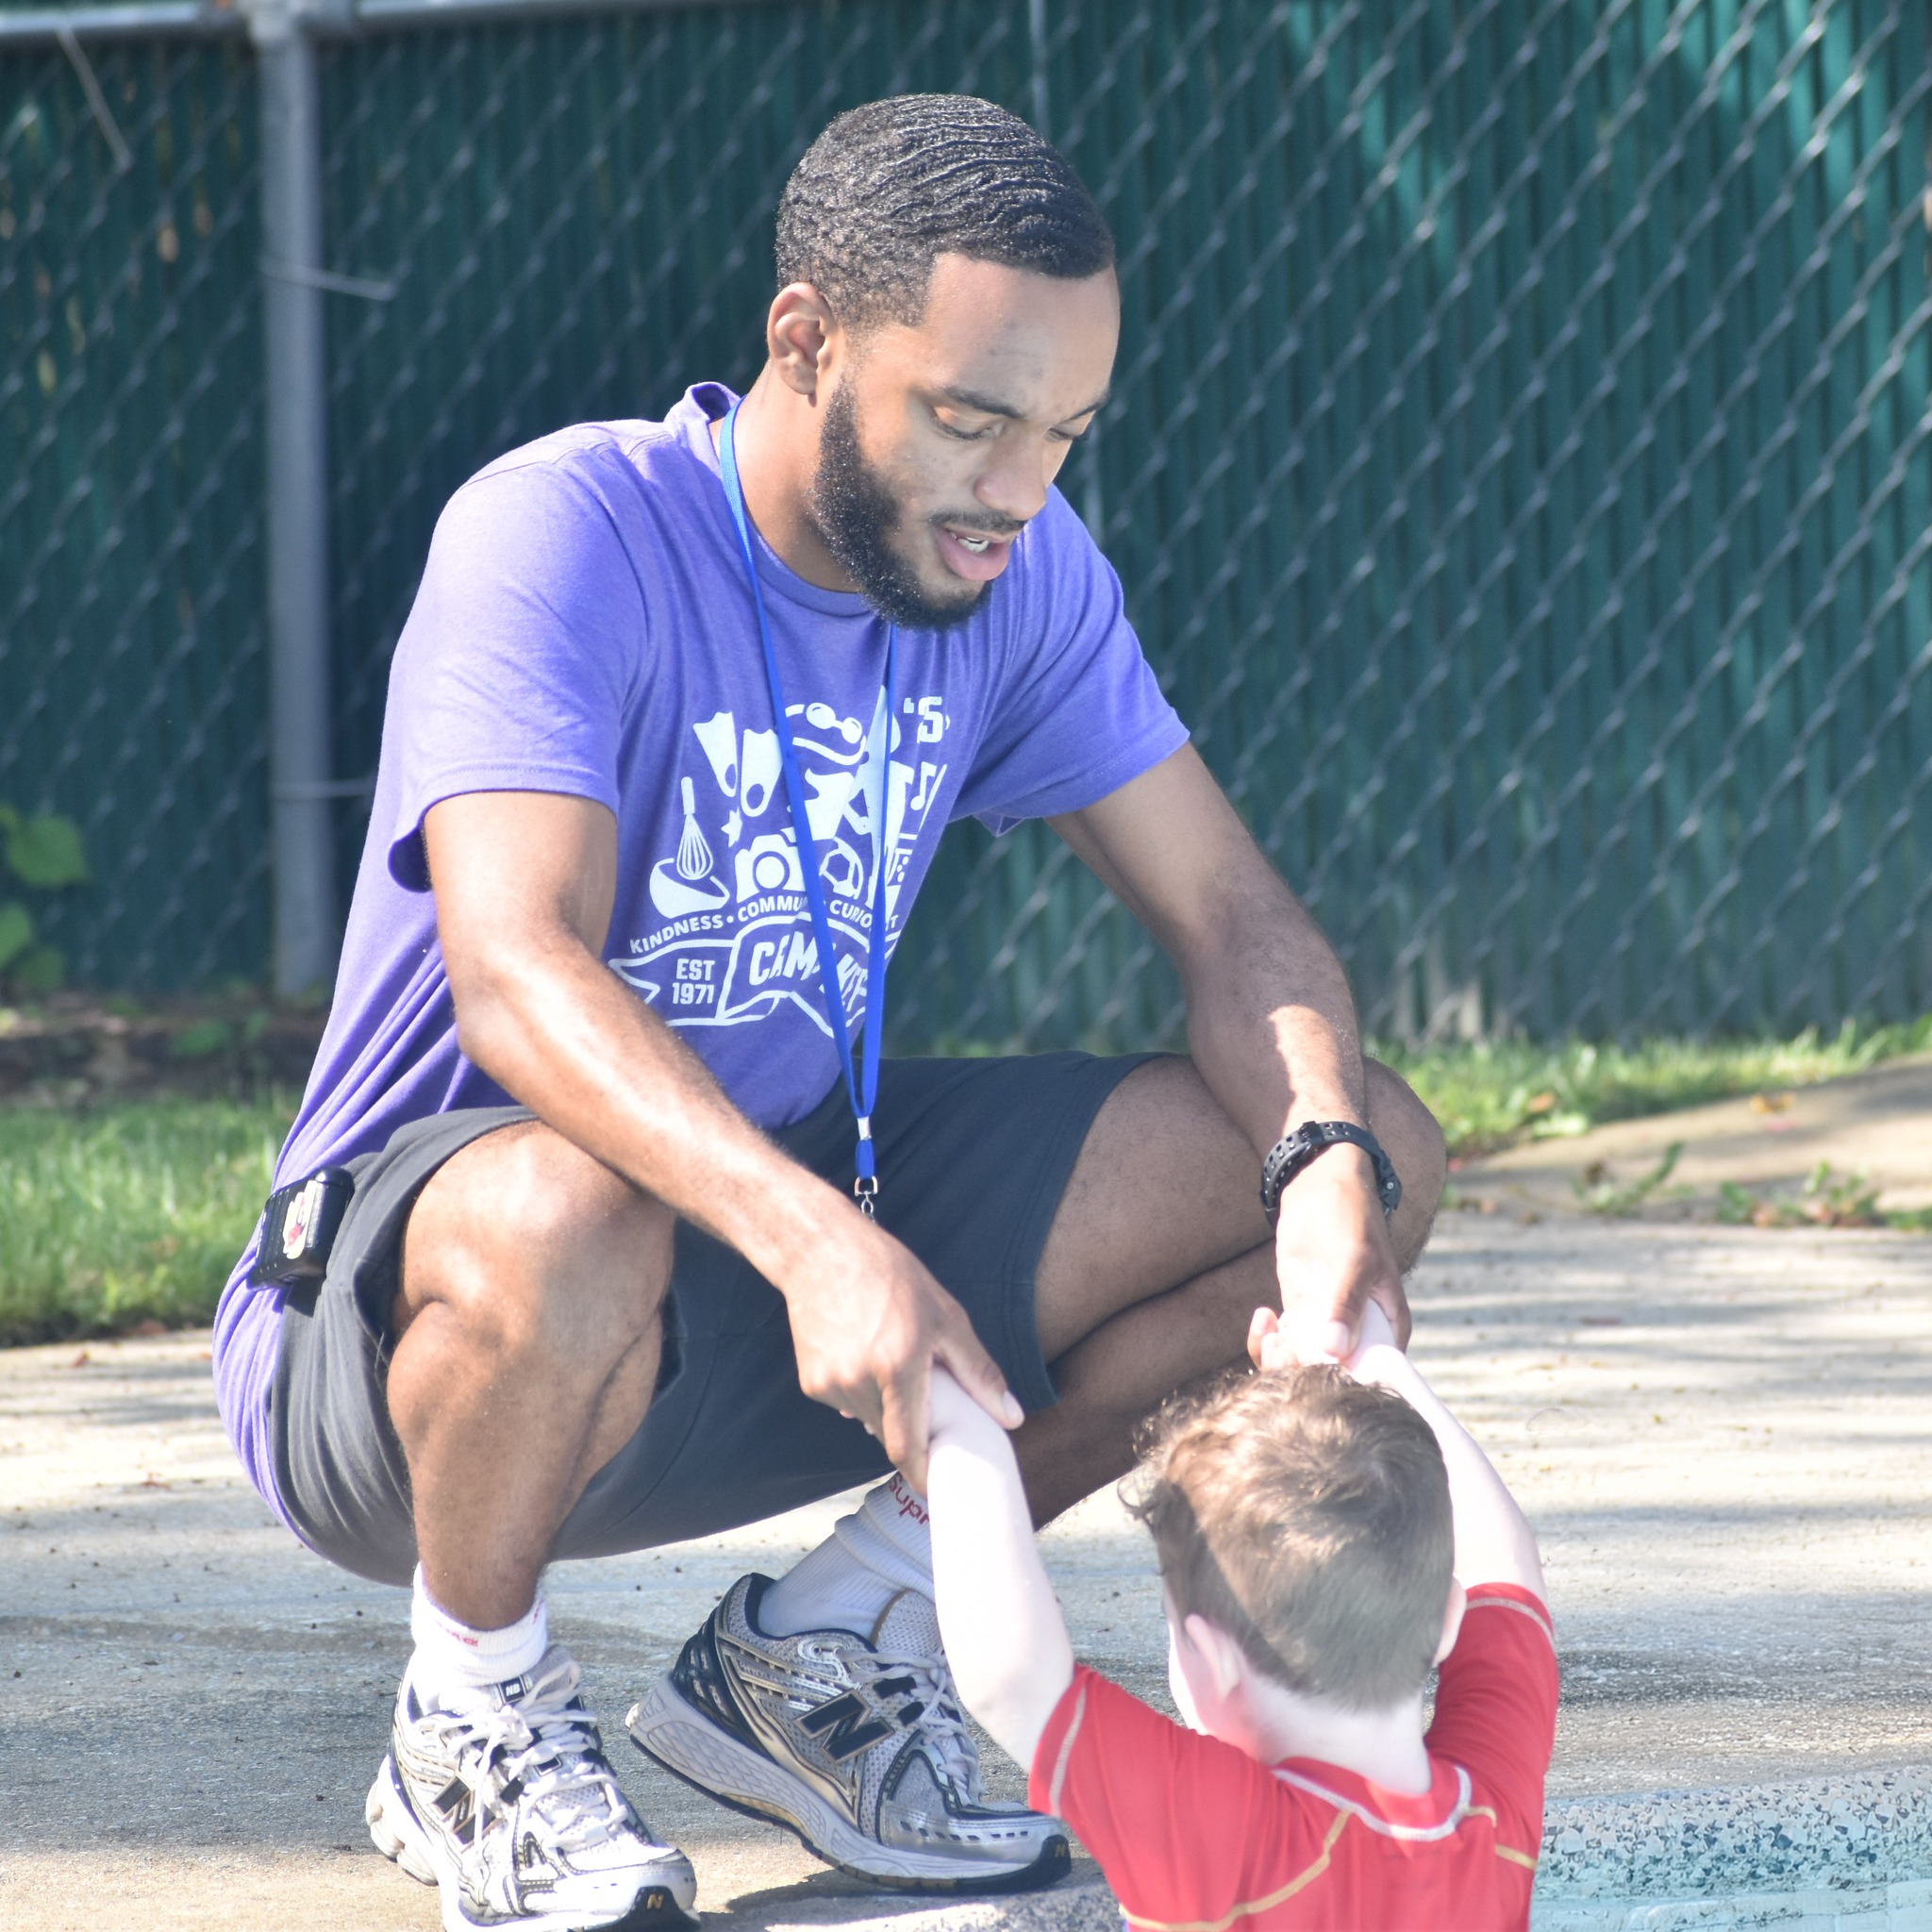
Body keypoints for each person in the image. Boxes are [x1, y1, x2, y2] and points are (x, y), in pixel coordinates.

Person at [210, 92, 1447, 1932]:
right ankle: (464, 1707)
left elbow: (1233, 915)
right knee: (573, 1200)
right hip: (412, 1336)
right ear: (806, 338)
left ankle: (823, 1642)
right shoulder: (561, 532)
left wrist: (1330, 1176)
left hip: (770, 1265)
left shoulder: (1014, 572)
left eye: (1062, 433)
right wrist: (814, 1245)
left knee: (1347, 1142)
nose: (1017, 486)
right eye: (971, 416)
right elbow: (517, 968)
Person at [924, 1301, 1556, 1931]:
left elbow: (1012, 1676)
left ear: (1215, 1655)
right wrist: (1372, 1357)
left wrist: (953, 1421)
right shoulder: (1491, 1816)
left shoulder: (1233, 1835)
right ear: (1450, 1616)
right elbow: (1506, 1568)